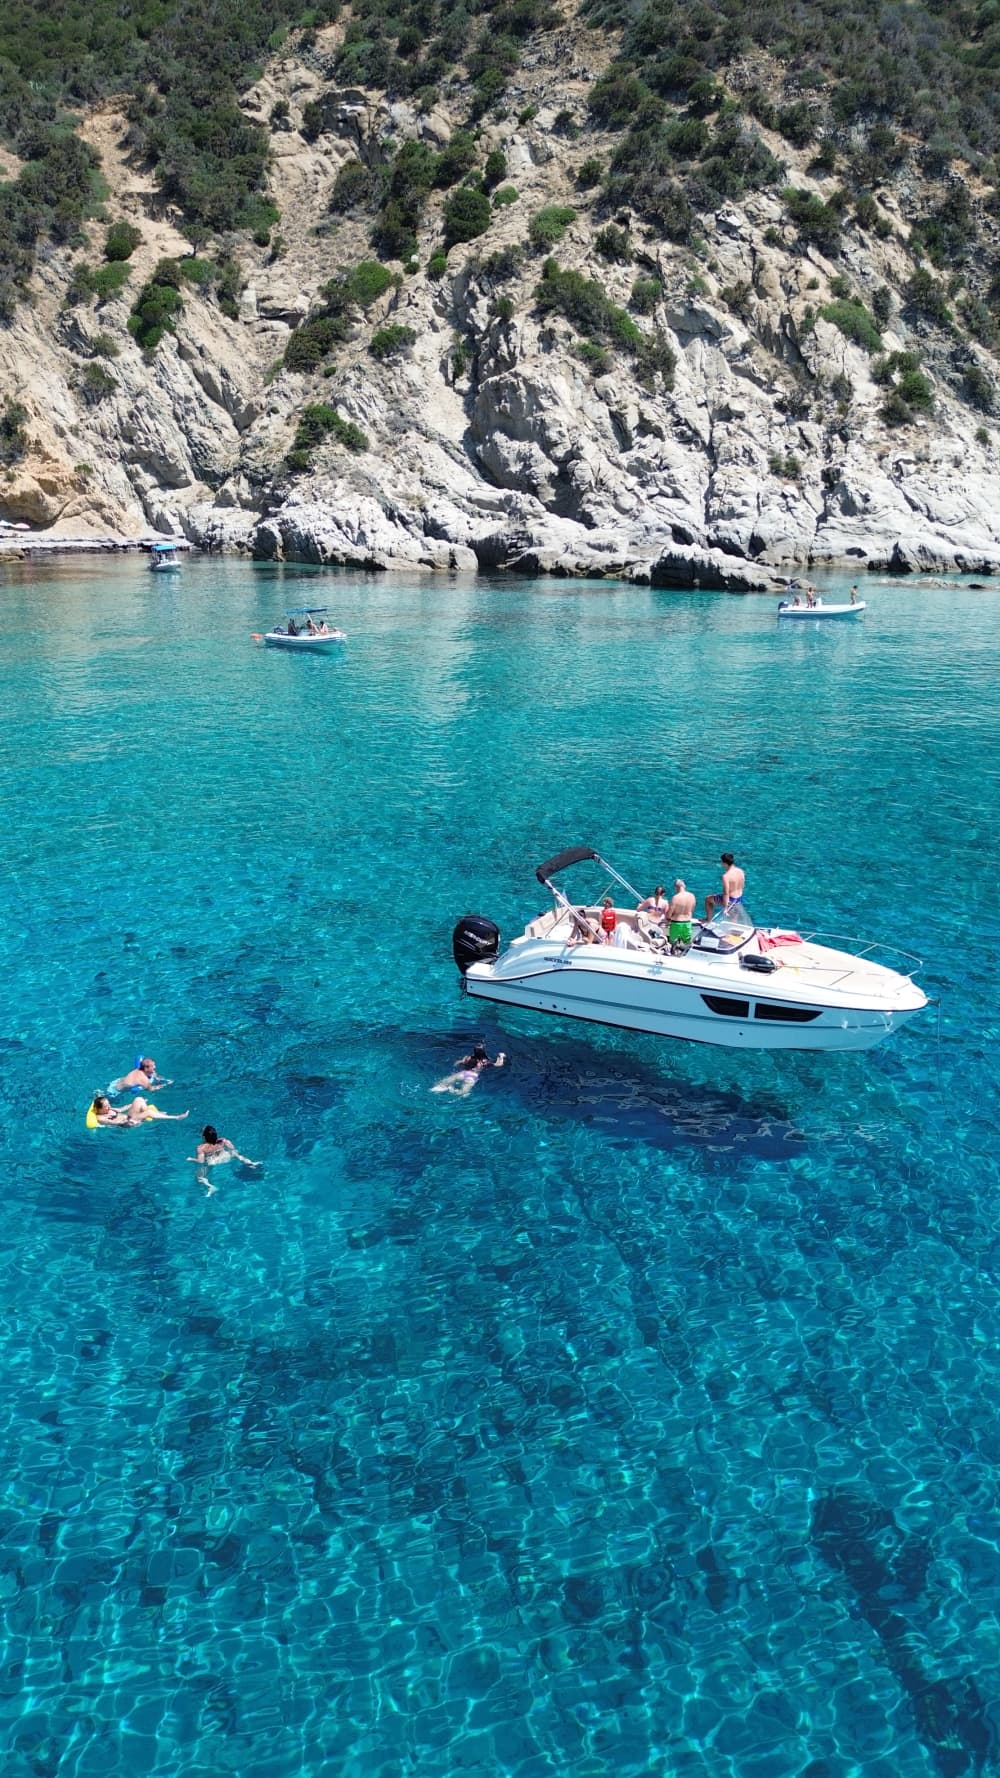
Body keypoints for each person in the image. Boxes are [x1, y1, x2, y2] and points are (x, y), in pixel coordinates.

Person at [187, 1124, 260, 1196]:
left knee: (199, 1176)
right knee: (235, 1154)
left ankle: (210, 1187)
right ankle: (251, 1163)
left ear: (203, 1137)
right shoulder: (223, 1140)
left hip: (212, 1161)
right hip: (226, 1157)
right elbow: (233, 1148)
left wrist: (191, 1159)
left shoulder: (201, 1148)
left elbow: (201, 1161)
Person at [432, 1041, 506, 1098]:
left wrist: (457, 1064)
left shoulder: (468, 1058)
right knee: (462, 1093)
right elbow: (499, 1064)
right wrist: (501, 1056)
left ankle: (443, 1087)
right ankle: (451, 1090)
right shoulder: (484, 1062)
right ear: (483, 1052)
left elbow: (457, 1063)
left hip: (462, 1073)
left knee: (443, 1083)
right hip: (471, 1077)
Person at [704, 852, 746, 921]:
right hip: (739, 899)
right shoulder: (741, 871)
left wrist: (725, 908)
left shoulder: (726, 876)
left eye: (722, 862)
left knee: (708, 899)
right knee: (733, 918)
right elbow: (742, 886)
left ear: (725, 863)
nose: (721, 864)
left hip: (730, 900)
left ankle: (708, 919)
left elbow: (726, 893)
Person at [665, 878, 696, 951]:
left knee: (673, 942)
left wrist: (667, 919)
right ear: (684, 886)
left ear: (676, 887)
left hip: (676, 923)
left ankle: (673, 952)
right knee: (687, 943)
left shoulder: (675, 897)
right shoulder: (692, 896)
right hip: (687, 923)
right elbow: (692, 909)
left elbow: (669, 913)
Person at [122, 1097, 190, 1126]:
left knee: (138, 1099)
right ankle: (176, 1117)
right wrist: (129, 1122)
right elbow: (117, 1123)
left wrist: (130, 1106)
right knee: (148, 1112)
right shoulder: (113, 1120)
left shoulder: (114, 1110)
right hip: (129, 1122)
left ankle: (155, 1114)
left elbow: (120, 1109)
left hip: (127, 1116)